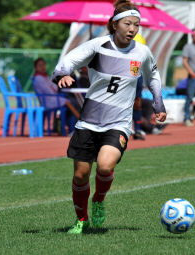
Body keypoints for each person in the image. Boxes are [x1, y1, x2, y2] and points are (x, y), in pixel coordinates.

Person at [52, 0, 167, 234]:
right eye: (127, 23)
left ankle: (99, 199)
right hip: (89, 121)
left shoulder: (142, 52)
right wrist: (62, 75)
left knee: (104, 167)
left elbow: (153, 77)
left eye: (136, 24)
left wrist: (158, 103)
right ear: (114, 25)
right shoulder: (97, 46)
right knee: (81, 174)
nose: (132, 29)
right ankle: (81, 219)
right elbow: (66, 63)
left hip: (118, 123)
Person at [32, 58, 80, 134]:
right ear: (36, 67)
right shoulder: (38, 78)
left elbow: (54, 87)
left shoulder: (45, 76)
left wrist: (55, 88)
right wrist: (55, 89)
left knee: (71, 101)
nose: (43, 67)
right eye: (40, 65)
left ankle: (71, 128)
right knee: (68, 102)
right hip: (48, 101)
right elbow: (50, 91)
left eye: (43, 65)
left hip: (52, 98)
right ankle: (79, 121)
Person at [132, 33, 147, 140]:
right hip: (126, 75)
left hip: (136, 73)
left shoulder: (140, 38)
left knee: (137, 103)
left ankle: (137, 129)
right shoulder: (121, 36)